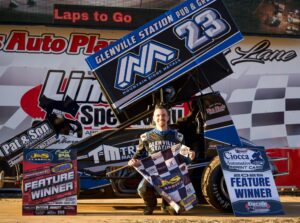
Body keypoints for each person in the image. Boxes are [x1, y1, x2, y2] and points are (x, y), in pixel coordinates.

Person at [128, 104, 195, 215]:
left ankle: (166, 205)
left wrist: (190, 154)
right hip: (153, 174)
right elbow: (138, 156)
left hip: (172, 174)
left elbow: (184, 156)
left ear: (168, 117)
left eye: (163, 115)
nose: (161, 117)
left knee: (175, 212)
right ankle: (150, 205)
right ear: (154, 118)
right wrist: (132, 161)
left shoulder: (178, 136)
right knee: (142, 189)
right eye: (158, 115)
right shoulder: (146, 137)